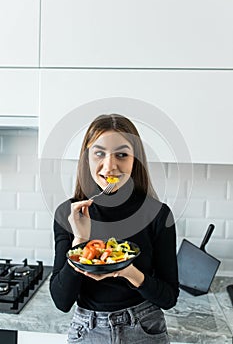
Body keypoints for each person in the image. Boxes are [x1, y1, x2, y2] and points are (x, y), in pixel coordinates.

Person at [50, 114, 179, 344]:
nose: (110, 166)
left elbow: (168, 298)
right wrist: (80, 238)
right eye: (99, 153)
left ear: (134, 160)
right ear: (86, 158)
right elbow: (62, 301)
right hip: (87, 331)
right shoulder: (69, 214)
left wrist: (128, 271)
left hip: (144, 328)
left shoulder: (158, 214)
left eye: (121, 154)